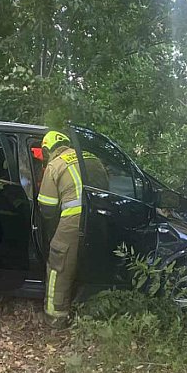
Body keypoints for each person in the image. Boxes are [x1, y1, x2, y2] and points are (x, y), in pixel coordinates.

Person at [36, 130, 107, 328]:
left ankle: (55, 317)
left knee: (59, 264)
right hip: (101, 219)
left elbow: (47, 208)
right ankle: (91, 312)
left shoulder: (55, 165)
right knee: (92, 262)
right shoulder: (91, 157)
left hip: (73, 220)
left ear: (47, 149)